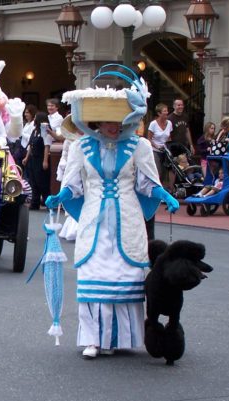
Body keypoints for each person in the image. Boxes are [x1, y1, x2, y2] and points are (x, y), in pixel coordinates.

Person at [46, 72, 179, 359]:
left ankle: (118, 338)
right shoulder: (82, 146)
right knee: (93, 276)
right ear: (96, 121)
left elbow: (147, 182)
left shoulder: (139, 146)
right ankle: (93, 339)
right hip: (94, 221)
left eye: (119, 121)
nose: (114, 126)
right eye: (108, 120)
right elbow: (73, 184)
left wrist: (164, 195)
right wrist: (61, 196)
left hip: (127, 220)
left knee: (124, 277)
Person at [147, 103, 173, 189]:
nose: (167, 112)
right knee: (158, 170)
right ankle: (156, 188)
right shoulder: (153, 124)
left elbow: (169, 137)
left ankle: (164, 188)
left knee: (165, 171)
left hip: (165, 150)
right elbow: (149, 138)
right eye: (164, 111)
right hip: (155, 150)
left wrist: (170, 147)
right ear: (159, 113)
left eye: (167, 111)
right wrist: (156, 146)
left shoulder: (169, 123)